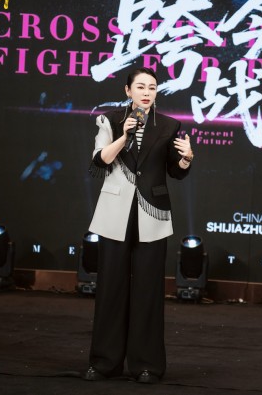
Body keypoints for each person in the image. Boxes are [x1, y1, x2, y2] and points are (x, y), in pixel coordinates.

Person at [83, 67, 193, 384]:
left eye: (152, 87)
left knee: (148, 289)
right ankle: (105, 362)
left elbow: (175, 170)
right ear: (127, 90)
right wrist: (124, 136)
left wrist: (186, 158)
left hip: (152, 213)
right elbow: (100, 160)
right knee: (111, 287)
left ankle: (147, 365)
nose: (147, 92)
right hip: (114, 211)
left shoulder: (169, 125)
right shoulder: (110, 120)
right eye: (141, 87)